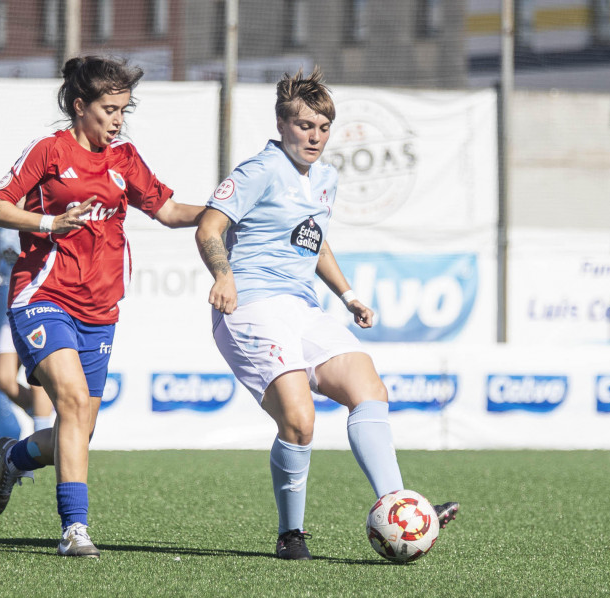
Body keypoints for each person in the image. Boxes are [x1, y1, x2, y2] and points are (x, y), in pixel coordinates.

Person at [195, 67, 459, 560]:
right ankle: (291, 534)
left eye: (322, 127)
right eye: (304, 126)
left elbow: (312, 241)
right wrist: (223, 276)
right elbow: (208, 227)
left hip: (302, 307)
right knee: (299, 421)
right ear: (281, 123)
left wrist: (348, 294)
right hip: (250, 305)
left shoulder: (326, 179)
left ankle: (397, 503)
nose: (314, 137)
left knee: (368, 388)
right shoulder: (258, 171)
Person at [0, 55, 204, 558]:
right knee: (75, 406)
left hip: (99, 310)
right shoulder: (49, 151)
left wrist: (224, 212)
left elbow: (167, 210)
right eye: (110, 109)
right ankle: (74, 530)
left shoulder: (125, 158)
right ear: (80, 107)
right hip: (42, 296)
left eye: (124, 109)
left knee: (77, 429)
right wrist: (48, 225)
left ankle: (13, 458)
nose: (119, 120)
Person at [0, 225, 54, 432]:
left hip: (34, 304)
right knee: (4, 379)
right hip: (9, 307)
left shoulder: (41, 217)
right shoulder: (1, 225)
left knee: (37, 376)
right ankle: (48, 423)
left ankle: (42, 434)